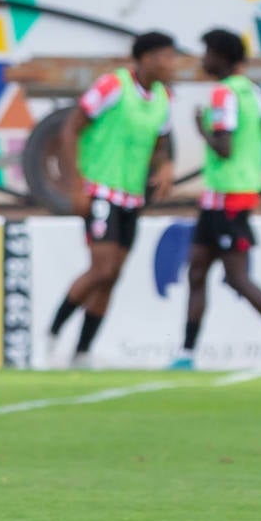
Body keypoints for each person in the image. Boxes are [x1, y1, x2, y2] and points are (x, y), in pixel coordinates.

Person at [168, 28, 261, 372]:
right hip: (227, 195)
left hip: (226, 197)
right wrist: (249, 136)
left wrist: (201, 128)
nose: (203, 60)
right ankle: (186, 354)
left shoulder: (222, 94)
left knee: (236, 277)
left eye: (207, 52)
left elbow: (223, 146)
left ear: (220, 56)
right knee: (197, 271)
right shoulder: (250, 90)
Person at [48, 31, 177, 367]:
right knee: (101, 268)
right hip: (99, 189)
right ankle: (51, 335)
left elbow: (161, 142)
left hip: (132, 198)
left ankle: (81, 352)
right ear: (146, 57)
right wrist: (75, 186)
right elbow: (71, 127)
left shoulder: (164, 97)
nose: (171, 64)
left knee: (113, 275)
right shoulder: (112, 86)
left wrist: (165, 166)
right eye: (166, 56)